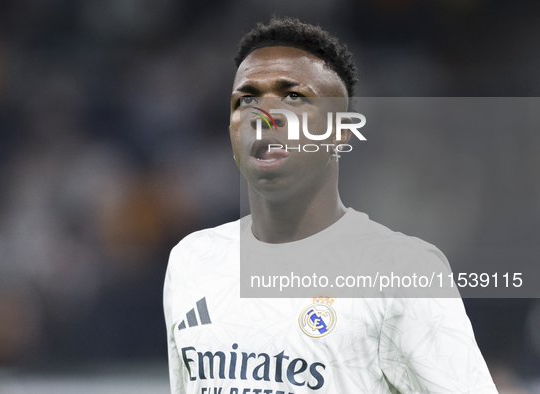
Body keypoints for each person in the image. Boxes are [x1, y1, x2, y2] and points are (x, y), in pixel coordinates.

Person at [164, 17, 498, 393]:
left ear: (340, 131)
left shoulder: (403, 270)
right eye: (247, 99)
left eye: (293, 96)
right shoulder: (191, 260)